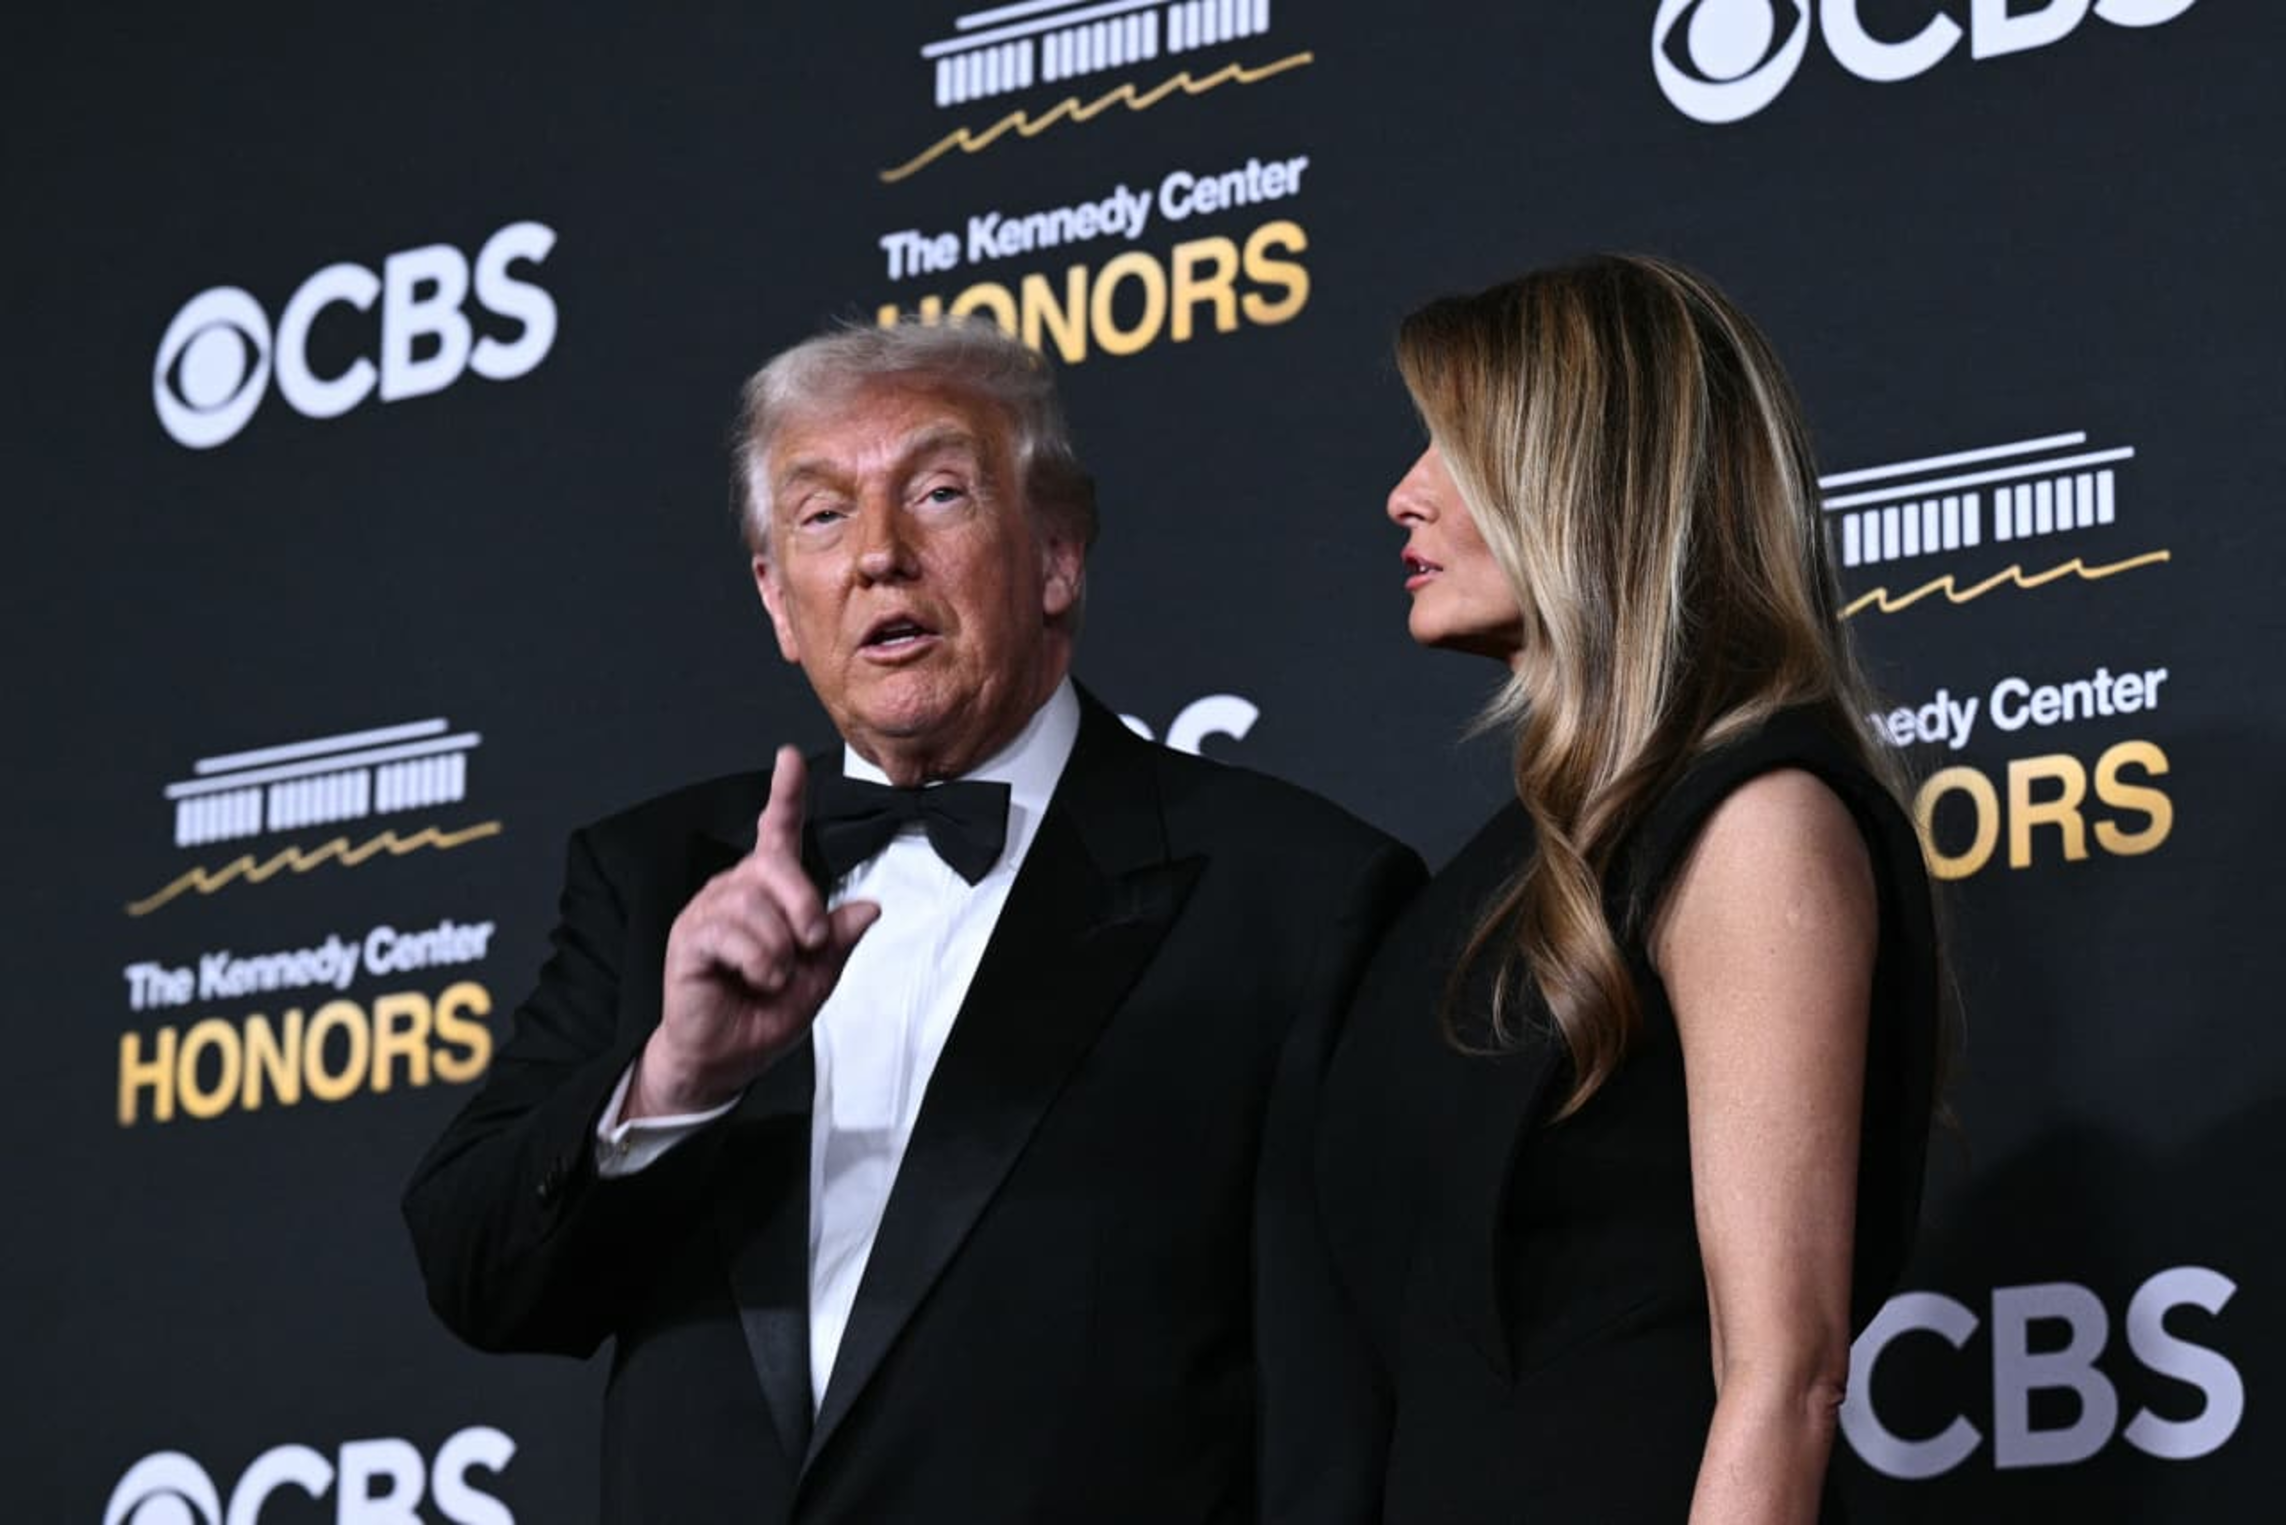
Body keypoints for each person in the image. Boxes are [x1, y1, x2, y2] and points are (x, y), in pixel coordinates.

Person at [402, 318, 1423, 1524]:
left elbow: (1330, 1420)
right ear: (779, 603)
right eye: (821, 515)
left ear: (1057, 555)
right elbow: (476, 1270)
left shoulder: (1292, 894)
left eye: (938, 493)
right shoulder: (654, 874)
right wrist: (673, 1078)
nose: (878, 555)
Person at [1260, 256, 1943, 1523]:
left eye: (1455, 448)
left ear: (1588, 479)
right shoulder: (1501, 877)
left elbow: (1782, 1377)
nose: (1404, 493)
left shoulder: (1754, 822)